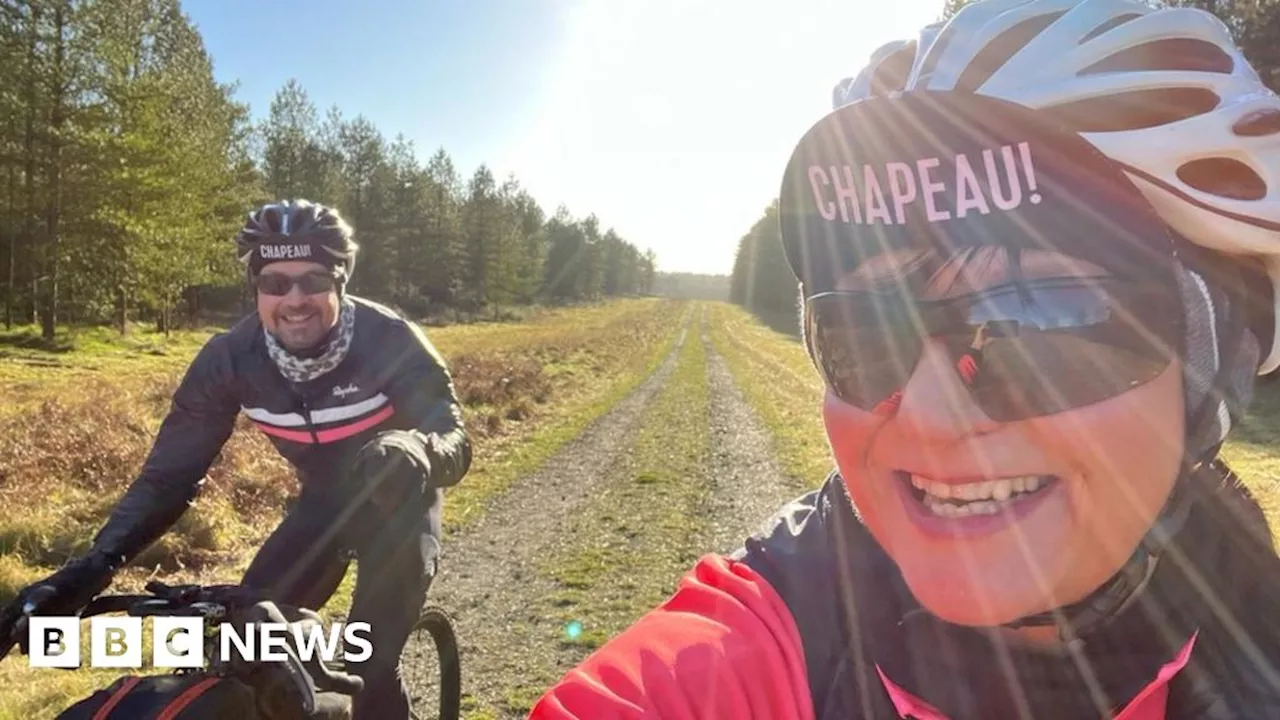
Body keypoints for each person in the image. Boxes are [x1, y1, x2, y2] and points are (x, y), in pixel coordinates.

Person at [528, 1, 1280, 718]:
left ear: (1215, 362)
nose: (923, 414)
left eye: (1035, 324)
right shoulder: (713, 677)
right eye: (864, 335)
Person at [0, 199, 472, 719]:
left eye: (313, 279)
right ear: (256, 289)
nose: (294, 299)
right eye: (275, 283)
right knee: (243, 654)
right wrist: (89, 571)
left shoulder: (391, 340)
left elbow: (452, 434)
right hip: (320, 508)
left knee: (368, 664)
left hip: (399, 510)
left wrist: (417, 448)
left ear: (340, 281)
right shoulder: (230, 360)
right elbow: (167, 478)